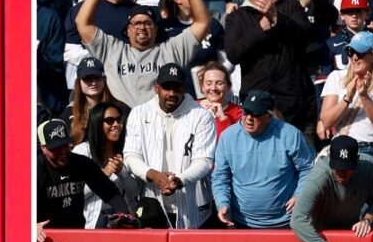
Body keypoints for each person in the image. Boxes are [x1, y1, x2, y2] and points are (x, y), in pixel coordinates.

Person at [77, 0, 213, 108]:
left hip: (159, 125)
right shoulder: (112, 50)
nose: (142, 27)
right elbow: (82, 23)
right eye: (136, 23)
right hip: (120, 127)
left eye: (147, 23)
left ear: (156, 29)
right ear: (128, 30)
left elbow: (203, 22)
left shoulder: (172, 50)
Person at [124, 63, 218, 227]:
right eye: (167, 88)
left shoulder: (202, 116)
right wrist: (153, 174)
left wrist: (179, 180)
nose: (172, 93)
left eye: (177, 88)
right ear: (156, 88)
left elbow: (204, 161)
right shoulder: (139, 113)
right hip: (152, 202)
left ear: (185, 89)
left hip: (192, 205)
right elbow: (131, 156)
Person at [224, 0, 320, 142]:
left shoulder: (291, 6)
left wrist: (276, 17)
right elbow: (233, 54)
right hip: (257, 108)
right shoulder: (237, 17)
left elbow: (306, 37)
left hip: (296, 107)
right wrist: (259, 29)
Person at [211, 89, 316, 228]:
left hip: (286, 221)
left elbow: (307, 169)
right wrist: (222, 203)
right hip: (242, 222)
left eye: (256, 114)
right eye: (246, 111)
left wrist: (300, 195)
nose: (249, 117)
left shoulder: (290, 135)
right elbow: (220, 176)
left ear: (268, 115)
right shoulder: (228, 137)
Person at [291, 136, 373, 242]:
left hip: (350, 235)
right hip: (317, 241)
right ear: (329, 158)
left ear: (357, 160)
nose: (342, 172)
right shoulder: (319, 176)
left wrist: (367, 220)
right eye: (338, 167)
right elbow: (297, 220)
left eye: (347, 168)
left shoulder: (368, 166)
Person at [37, 118, 132, 235]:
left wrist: (125, 216)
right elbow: (16, 209)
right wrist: (29, 225)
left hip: (76, 233)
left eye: (65, 145)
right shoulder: (34, 170)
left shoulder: (81, 163)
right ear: (43, 148)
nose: (62, 152)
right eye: (56, 148)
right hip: (44, 236)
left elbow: (110, 193)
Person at [319, 31, 373, 160]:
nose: (354, 57)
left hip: (372, 149)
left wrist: (364, 96)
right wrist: (347, 98)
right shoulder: (336, 77)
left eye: (360, 53)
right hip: (340, 147)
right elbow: (327, 122)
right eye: (350, 52)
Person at [73, 101, 145, 226]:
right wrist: (102, 175)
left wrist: (122, 173)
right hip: (93, 219)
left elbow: (135, 192)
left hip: (123, 219)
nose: (116, 124)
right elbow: (74, 194)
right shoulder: (82, 151)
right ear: (97, 123)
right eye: (110, 120)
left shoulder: (127, 150)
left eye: (119, 119)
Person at [63, 0, 138, 89]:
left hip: (129, 83)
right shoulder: (81, 12)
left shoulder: (139, 13)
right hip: (92, 83)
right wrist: (103, 60)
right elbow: (70, 51)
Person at [323, 0, 373, 75]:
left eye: (358, 11)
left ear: (367, 14)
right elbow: (324, 79)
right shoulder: (331, 44)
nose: (354, 15)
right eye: (349, 11)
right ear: (342, 15)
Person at [61, 56, 118, 144]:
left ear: (104, 80)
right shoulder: (69, 112)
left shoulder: (117, 109)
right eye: (87, 79)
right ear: (79, 82)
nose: (93, 83)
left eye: (97, 78)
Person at [196, 60, 244, 137]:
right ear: (202, 87)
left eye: (219, 83)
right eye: (209, 83)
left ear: (228, 86)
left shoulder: (239, 113)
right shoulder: (192, 107)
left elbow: (235, 142)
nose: (213, 88)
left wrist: (223, 119)